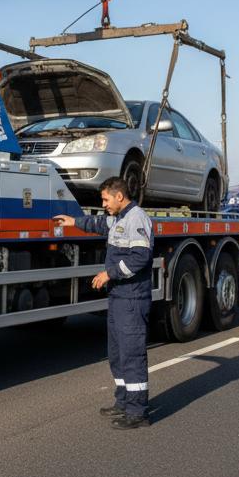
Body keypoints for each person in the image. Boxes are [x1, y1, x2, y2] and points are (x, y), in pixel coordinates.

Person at [53, 176, 154, 430]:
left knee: (132, 355)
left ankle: (137, 412)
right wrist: (73, 221)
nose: (103, 204)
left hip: (132, 297)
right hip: (119, 297)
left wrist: (109, 274)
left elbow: (140, 258)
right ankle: (123, 402)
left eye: (105, 199)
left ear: (119, 196)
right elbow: (99, 224)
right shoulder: (119, 218)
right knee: (117, 353)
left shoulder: (136, 218)